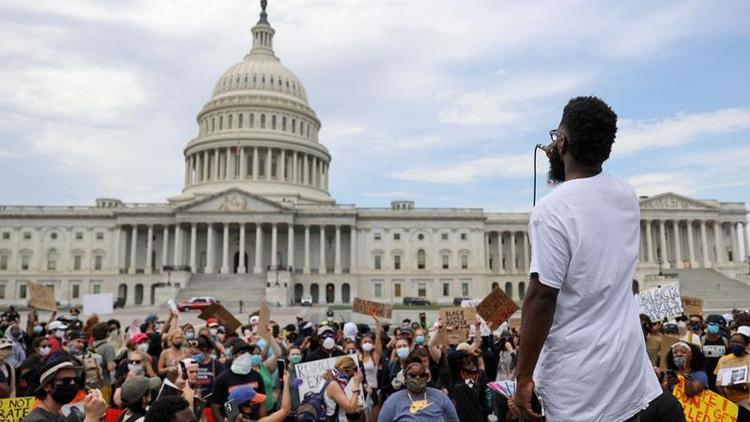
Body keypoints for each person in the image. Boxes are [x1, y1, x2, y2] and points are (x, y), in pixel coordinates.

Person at [515, 96, 661, 421]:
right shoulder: (626, 196)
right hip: (627, 377)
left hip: (579, 385)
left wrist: (523, 376)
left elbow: (542, 297)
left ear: (562, 143)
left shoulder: (552, 210)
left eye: (556, 137)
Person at [22, 354, 108, 422]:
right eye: (66, 380)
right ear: (47, 386)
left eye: (75, 380)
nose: (72, 384)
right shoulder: (36, 420)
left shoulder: (59, 416)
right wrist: (91, 417)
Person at [378, 356, 459, 422]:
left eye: (422, 375)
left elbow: (454, 419)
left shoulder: (440, 396)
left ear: (427, 377)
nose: (417, 378)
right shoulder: (393, 401)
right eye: (413, 375)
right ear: (405, 378)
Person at [210, 340, 267, 421]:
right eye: (243, 352)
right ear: (234, 356)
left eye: (249, 352)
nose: (246, 355)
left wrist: (263, 420)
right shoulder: (222, 379)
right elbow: (215, 406)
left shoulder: (257, 376)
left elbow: (262, 403)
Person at [714, 330, 750, 409]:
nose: (735, 344)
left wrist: (743, 387)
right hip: (729, 401)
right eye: (733, 342)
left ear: (746, 345)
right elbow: (718, 384)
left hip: (746, 401)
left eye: (739, 342)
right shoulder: (724, 360)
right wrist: (725, 400)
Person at [322, 356, 362, 422]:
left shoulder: (327, 379)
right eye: (350, 376)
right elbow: (351, 409)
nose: (348, 380)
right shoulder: (333, 385)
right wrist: (356, 385)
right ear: (344, 370)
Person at [701, 314, 728, 391]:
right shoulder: (701, 340)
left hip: (720, 374)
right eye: (711, 324)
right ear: (706, 325)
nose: (713, 327)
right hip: (706, 374)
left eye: (716, 325)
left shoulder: (724, 340)